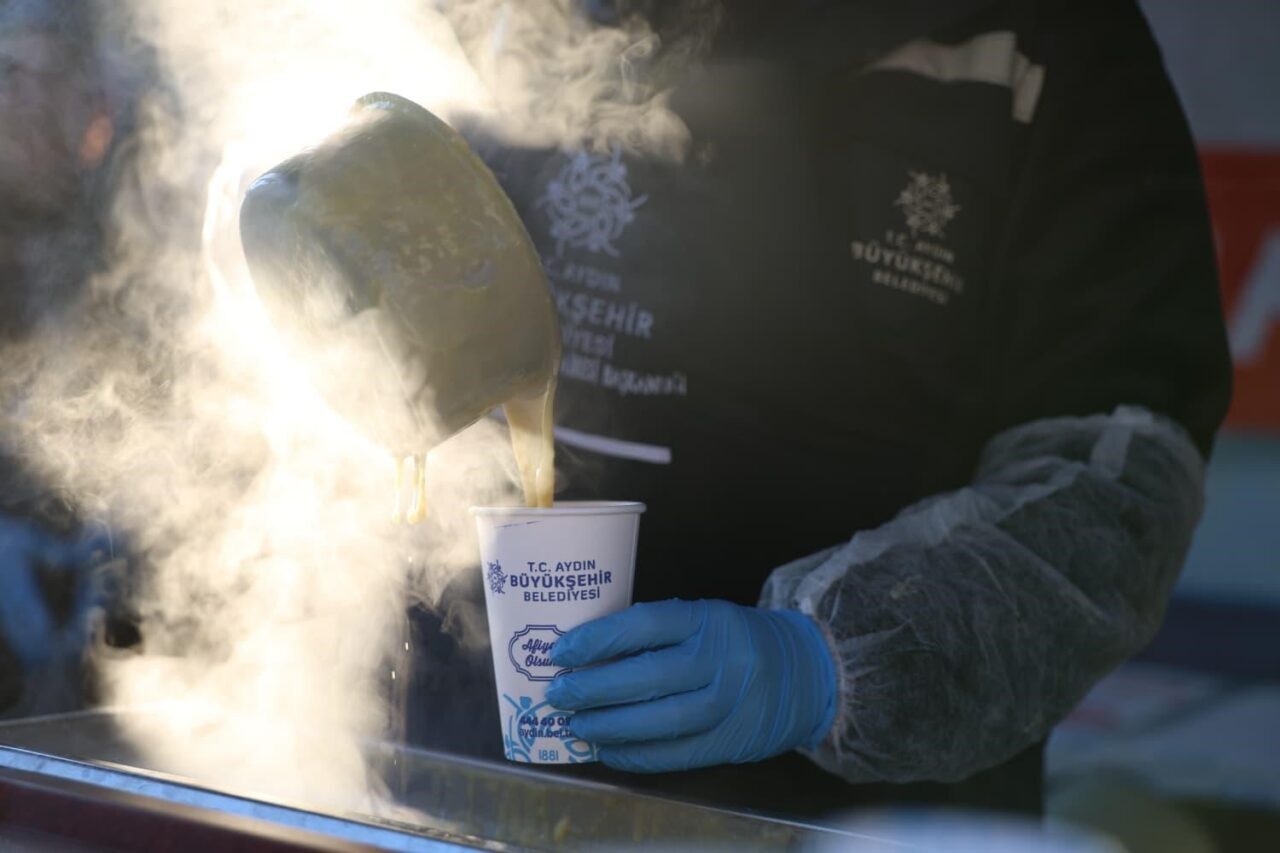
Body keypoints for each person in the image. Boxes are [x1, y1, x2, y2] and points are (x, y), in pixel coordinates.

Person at [411, 0, 1234, 819]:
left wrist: (826, 666)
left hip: (858, 820)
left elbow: (1118, 480)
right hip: (434, 788)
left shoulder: (1052, 43)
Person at [0, 0, 123, 716]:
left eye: (51, 82)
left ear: (98, 113)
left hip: (106, 678)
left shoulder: (130, 259)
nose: (24, 105)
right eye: (12, 74)